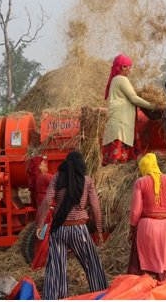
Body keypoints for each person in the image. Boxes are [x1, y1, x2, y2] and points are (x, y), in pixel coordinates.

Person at [35, 151, 108, 300]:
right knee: (92, 263)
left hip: (59, 229)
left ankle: (55, 297)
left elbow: (47, 201)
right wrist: (99, 231)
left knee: (56, 269)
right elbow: (95, 206)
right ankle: (101, 294)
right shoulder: (87, 181)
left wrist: (39, 224)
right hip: (80, 230)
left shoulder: (57, 178)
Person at [128, 153, 166, 282]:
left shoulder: (140, 182)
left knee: (141, 266)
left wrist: (131, 229)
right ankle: (165, 292)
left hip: (146, 227)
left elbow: (135, 211)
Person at [102, 54, 157, 166]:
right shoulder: (122, 79)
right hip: (121, 123)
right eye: (128, 67)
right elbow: (134, 98)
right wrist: (153, 106)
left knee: (114, 159)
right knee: (119, 160)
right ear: (122, 67)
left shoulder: (115, 80)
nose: (129, 70)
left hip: (116, 122)